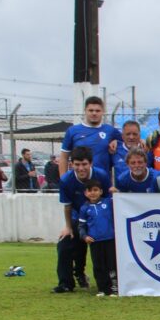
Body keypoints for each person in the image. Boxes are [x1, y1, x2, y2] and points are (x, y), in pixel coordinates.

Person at [55, 147, 110, 293]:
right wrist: (68, 227)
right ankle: (66, 283)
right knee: (65, 244)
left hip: (100, 220)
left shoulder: (102, 175)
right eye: (77, 164)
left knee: (105, 250)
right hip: (77, 218)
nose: (81, 168)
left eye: (84, 164)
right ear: (71, 164)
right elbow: (67, 206)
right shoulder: (66, 180)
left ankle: (107, 282)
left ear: (91, 163)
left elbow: (109, 200)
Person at [60, 96, 123, 175]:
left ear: (103, 112)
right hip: (80, 180)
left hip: (102, 180)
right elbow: (64, 157)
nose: (94, 113)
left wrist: (116, 141)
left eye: (97, 111)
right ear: (85, 111)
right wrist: (63, 180)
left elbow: (129, 143)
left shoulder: (110, 130)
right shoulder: (72, 131)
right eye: (91, 110)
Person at [78, 178, 118, 297]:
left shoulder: (108, 203)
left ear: (101, 191)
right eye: (89, 191)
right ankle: (102, 289)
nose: (93, 193)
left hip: (110, 240)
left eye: (95, 190)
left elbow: (120, 201)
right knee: (98, 266)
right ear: (85, 193)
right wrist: (84, 237)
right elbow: (81, 225)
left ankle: (114, 288)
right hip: (95, 241)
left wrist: (116, 192)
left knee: (112, 265)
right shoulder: (84, 208)